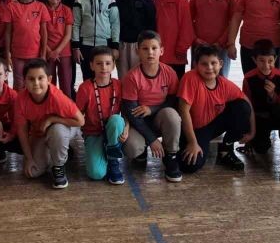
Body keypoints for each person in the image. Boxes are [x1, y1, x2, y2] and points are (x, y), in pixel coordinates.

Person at [177, 45, 254, 174]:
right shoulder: (190, 78)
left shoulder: (224, 83)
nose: (209, 67)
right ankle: (175, 150)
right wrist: (192, 143)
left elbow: (247, 103)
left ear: (221, 64)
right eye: (204, 64)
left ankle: (225, 150)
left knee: (242, 107)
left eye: (213, 63)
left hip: (211, 125)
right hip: (192, 128)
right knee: (189, 166)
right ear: (196, 65)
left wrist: (252, 132)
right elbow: (183, 112)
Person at [121, 30, 183, 183]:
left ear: (161, 51)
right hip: (138, 122)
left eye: (154, 48)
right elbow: (132, 112)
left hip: (160, 119)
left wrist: (152, 109)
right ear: (137, 51)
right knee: (132, 148)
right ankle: (142, 151)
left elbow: (173, 101)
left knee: (172, 115)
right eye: (145, 48)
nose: (150, 52)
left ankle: (171, 156)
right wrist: (152, 140)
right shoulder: (131, 77)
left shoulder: (169, 73)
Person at [13, 59, 85, 189]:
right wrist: (29, 158)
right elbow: (22, 131)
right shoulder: (20, 99)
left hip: (68, 127)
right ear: (24, 81)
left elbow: (80, 121)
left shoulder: (57, 98)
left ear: (49, 79)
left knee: (57, 131)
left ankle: (59, 166)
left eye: (40, 78)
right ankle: (59, 151)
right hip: (40, 132)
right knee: (32, 172)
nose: (36, 83)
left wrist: (52, 119)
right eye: (31, 79)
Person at [241, 39, 280, 181]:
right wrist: (250, 135)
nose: (266, 65)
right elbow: (247, 107)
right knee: (261, 149)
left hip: (276, 115)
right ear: (254, 60)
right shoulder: (249, 78)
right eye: (261, 61)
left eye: (270, 61)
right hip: (259, 118)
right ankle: (260, 139)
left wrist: (272, 95)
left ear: (275, 59)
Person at [76, 47, 127, 184]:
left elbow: (126, 111)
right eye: (99, 63)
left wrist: (127, 128)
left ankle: (113, 161)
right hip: (93, 133)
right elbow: (77, 114)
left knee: (117, 120)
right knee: (96, 174)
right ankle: (102, 151)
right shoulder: (85, 88)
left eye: (108, 63)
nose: (103, 67)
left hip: (113, 131)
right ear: (91, 66)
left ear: (113, 65)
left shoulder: (119, 85)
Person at [72, 0, 120, 83]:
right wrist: (76, 47)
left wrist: (115, 46)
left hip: (105, 45)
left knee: (104, 77)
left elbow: (115, 24)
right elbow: (76, 24)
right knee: (87, 78)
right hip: (85, 46)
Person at [3, 0, 50, 90]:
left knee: (34, 83)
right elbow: (8, 32)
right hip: (17, 54)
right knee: (19, 83)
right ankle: (19, 103)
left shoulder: (41, 7)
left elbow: (44, 32)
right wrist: (7, 53)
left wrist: (43, 54)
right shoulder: (11, 7)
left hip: (35, 54)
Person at [190, 0, 236, 77]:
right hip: (199, 46)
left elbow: (233, 22)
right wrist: (195, 39)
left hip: (221, 47)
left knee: (220, 79)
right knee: (197, 79)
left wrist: (221, 42)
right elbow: (188, 20)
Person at [153, 0, 194, 79]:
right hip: (157, 54)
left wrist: (182, 48)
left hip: (176, 55)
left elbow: (186, 26)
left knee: (175, 85)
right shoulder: (153, 0)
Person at [115, 0, 156, 78]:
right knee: (123, 76)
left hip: (139, 44)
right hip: (122, 44)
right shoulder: (118, 0)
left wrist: (148, 43)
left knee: (138, 76)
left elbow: (151, 23)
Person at [43, 0, 74, 98]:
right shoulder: (41, 8)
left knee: (66, 83)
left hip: (64, 52)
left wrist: (57, 51)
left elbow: (68, 35)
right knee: (49, 83)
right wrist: (49, 51)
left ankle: (67, 107)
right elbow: (40, 34)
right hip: (47, 52)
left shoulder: (67, 10)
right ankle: (51, 106)